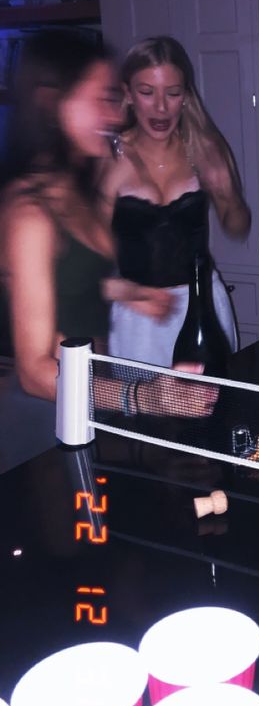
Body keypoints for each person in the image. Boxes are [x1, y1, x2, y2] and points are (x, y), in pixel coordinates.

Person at [0, 31, 216, 471]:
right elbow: (36, 369)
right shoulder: (30, 211)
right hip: (47, 420)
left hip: (89, 401)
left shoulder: (74, 189)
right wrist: (143, 396)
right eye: (101, 99)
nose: (116, 115)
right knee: (70, 538)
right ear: (51, 102)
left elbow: (71, 283)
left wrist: (129, 292)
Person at [101, 36, 252, 367]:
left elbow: (238, 226)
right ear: (127, 94)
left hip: (202, 307)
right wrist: (127, 293)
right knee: (139, 415)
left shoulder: (205, 149)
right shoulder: (109, 159)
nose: (160, 107)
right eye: (147, 92)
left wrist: (228, 195)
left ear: (186, 96)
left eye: (172, 93)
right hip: (138, 313)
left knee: (215, 410)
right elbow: (86, 261)